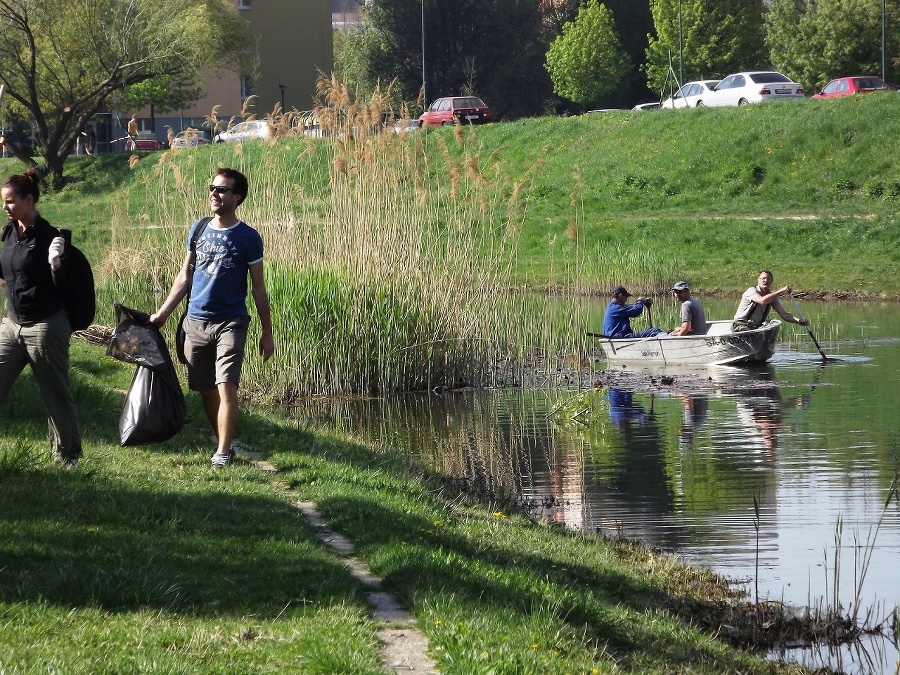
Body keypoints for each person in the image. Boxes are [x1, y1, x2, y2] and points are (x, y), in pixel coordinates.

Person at [150, 168, 274, 469]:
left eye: (221, 189)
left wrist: (267, 332)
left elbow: (258, 289)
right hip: (195, 321)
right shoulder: (199, 228)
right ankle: (223, 442)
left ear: (237, 196)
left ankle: (221, 452)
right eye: (212, 188)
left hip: (231, 321)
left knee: (226, 385)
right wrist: (163, 313)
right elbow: (185, 275)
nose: (214, 194)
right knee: (206, 390)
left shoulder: (248, 238)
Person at [0, 169, 82, 468]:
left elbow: (66, 287)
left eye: (10, 202)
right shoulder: (9, 232)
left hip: (45, 326)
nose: (5, 207)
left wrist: (57, 263)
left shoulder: (50, 236)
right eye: (4, 202)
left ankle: (67, 457)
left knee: (55, 394)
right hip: (11, 326)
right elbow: (10, 272)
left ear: (29, 199)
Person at [732, 270, 806, 332]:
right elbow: (762, 301)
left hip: (756, 327)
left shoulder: (772, 297)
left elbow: (784, 314)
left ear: (772, 281)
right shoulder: (751, 291)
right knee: (745, 330)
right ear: (758, 280)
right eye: (763, 278)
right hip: (741, 324)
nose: (766, 281)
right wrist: (781, 291)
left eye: (768, 279)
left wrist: (799, 321)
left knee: (772, 323)